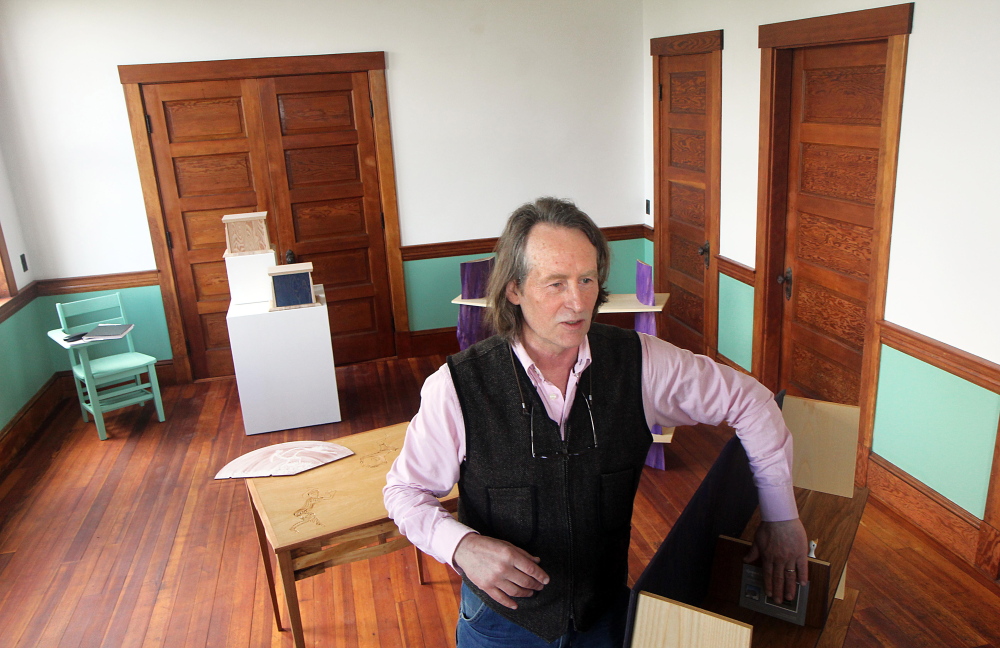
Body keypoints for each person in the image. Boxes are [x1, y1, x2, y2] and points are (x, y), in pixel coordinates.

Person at [384, 197, 808, 647]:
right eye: (555, 283)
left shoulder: (642, 364)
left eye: (587, 279)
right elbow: (404, 491)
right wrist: (462, 547)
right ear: (513, 289)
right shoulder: (457, 386)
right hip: (500, 625)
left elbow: (755, 403)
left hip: (603, 617)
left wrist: (781, 519)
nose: (578, 301)